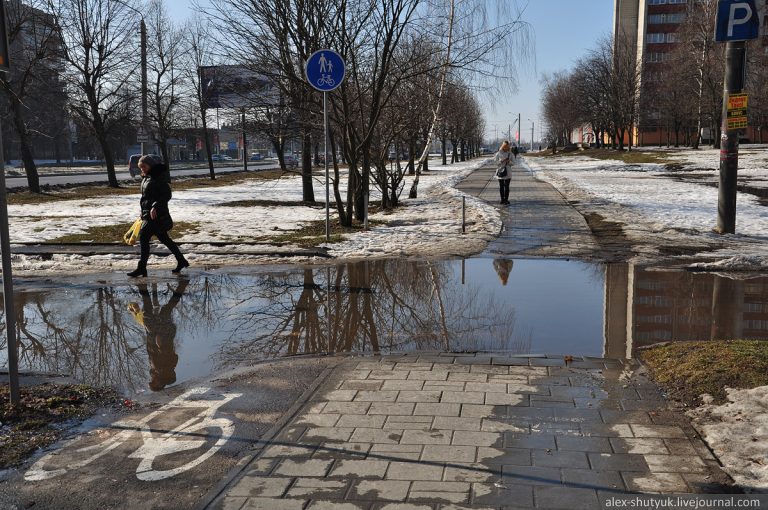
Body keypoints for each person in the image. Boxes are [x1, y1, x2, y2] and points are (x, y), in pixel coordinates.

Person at [128, 155, 189, 277]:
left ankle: (142, 268)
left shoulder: (158, 178)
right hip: (148, 215)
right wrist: (143, 211)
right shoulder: (146, 178)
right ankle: (181, 261)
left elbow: (166, 195)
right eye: (141, 167)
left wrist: (155, 206)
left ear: (151, 165)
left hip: (157, 215)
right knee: (164, 239)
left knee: (144, 238)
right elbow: (146, 198)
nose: (142, 169)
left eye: (144, 166)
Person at [130, 279, 188, 391]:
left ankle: (182, 284)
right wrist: (159, 341)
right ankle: (142, 286)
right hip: (159, 332)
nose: (151, 380)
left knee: (167, 308)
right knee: (148, 309)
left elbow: (173, 356)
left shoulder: (166, 368)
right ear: (159, 383)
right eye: (152, 383)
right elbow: (162, 349)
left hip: (162, 332)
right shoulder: (161, 369)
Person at [494, 140, 512, 205]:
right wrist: (500, 161)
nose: (506, 148)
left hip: (508, 172)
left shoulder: (510, 153)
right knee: (501, 186)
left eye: (507, 146)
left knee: (507, 187)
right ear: (502, 146)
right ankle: (502, 200)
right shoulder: (498, 153)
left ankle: (506, 200)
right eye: (504, 146)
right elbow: (495, 162)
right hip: (500, 171)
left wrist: (509, 162)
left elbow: (514, 162)